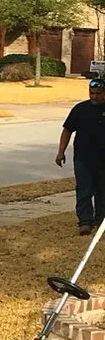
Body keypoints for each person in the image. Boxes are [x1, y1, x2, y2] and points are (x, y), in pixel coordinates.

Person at [56, 78, 105, 234]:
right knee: (83, 191)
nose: (94, 97)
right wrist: (61, 151)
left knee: (102, 191)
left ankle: (101, 221)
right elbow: (67, 130)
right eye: (92, 93)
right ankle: (85, 222)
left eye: (98, 93)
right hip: (83, 159)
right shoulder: (80, 109)